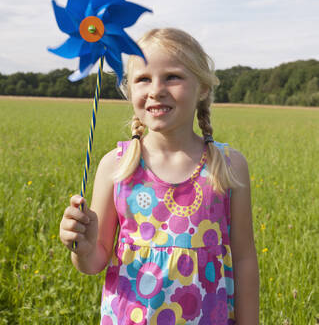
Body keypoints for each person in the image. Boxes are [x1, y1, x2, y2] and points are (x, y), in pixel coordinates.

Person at [60, 28, 259, 324]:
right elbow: (94, 261)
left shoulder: (229, 166)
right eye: (143, 79)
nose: (156, 89)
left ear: (202, 87)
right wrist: (82, 248)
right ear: (129, 90)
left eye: (172, 77)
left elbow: (244, 261)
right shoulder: (116, 165)